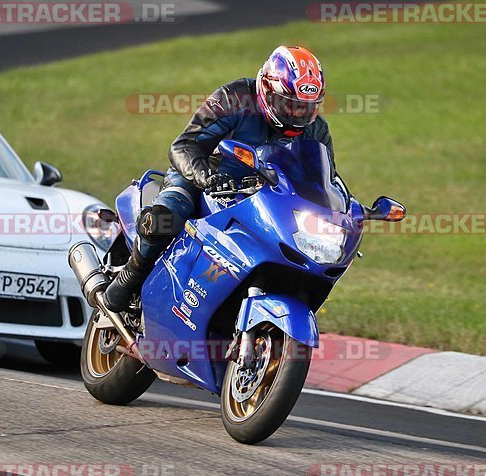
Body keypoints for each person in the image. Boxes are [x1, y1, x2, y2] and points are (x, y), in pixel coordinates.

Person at [105, 45, 335, 312]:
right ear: (268, 91)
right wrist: (206, 177)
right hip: (203, 181)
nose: (297, 115)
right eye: (289, 105)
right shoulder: (234, 99)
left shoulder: (316, 129)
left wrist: (345, 209)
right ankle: (131, 277)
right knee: (163, 220)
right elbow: (183, 146)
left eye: (306, 108)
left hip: (264, 200)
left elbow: (324, 180)